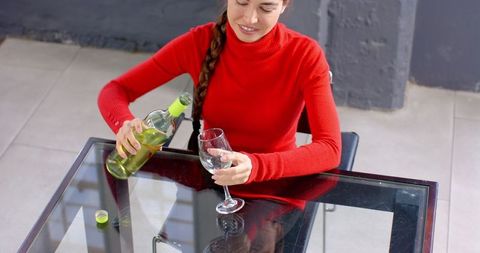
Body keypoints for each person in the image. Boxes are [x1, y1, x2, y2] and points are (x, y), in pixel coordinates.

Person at [98, 0, 341, 190]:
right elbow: (115, 90)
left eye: (266, 7)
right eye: (241, 2)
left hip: (276, 182)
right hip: (210, 179)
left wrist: (257, 167)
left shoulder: (305, 55)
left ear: (284, 5)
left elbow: (330, 148)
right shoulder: (198, 43)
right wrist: (124, 123)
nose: (250, 18)